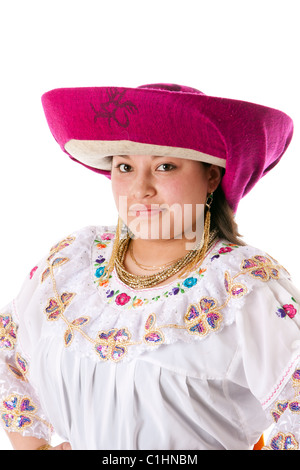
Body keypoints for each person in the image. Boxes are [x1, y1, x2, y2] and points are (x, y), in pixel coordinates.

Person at [0, 83, 299, 451]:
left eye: (165, 166)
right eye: (125, 166)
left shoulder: (243, 284)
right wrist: (33, 445)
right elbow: (7, 350)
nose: (140, 189)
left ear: (212, 176)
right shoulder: (73, 262)